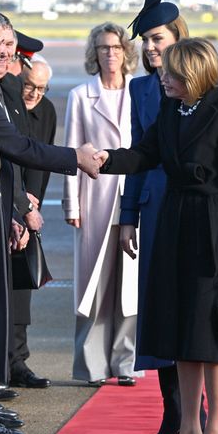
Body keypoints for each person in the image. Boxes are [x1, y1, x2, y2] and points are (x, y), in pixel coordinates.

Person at [97, 37, 218, 434]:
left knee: (211, 332)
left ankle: (215, 430)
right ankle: (189, 428)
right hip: (173, 222)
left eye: (171, 72)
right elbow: (145, 154)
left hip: (213, 227)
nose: (162, 77)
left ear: (195, 72)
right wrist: (103, 159)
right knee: (180, 328)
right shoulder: (170, 108)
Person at [119, 0, 201, 434]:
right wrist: (128, 214)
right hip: (153, 212)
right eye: (146, 41)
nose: (150, 48)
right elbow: (138, 156)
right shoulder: (140, 88)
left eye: (158, 39)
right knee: (158, 311)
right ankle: (172, 414)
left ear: (178, 38)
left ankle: (197, 416)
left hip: (191, 211)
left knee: (190, 312)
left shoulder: (207, 81)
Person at [63, 22, 141, 386]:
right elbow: (71, 151)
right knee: (94, 284)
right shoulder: (81, 95)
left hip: (134, 196)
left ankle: (126, 362)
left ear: (126, 53)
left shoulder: (139, 93)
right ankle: (92, 365)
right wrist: (71, 205)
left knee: (131, 286)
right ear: (94, 54)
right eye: (103, 48)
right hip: (95, 198)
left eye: (116, 47)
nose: (110, 54)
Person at [8, 51, 56, 389]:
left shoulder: (45, 111)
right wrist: (20, 207)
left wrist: (33, 207)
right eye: (29, 86)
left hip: (29, 207)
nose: (33, 94)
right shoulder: (8, 105)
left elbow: (43, 161)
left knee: (23, 289)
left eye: (41, 89)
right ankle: (1, 365)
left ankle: (18, 363)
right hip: (9, 204)